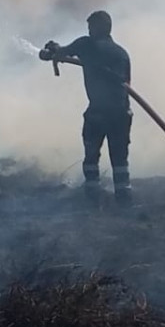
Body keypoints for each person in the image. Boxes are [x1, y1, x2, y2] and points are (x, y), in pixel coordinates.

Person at [39, 10, 133, 204]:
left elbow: (61, 52)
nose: (89, 31)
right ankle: (124, 200)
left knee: (91, 157)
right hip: (121, 114)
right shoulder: (122, 53)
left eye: (91, 27)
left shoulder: (86, 45)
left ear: (98, 28)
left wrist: (52, 49)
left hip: (98, 113)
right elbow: (127, 86)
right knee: (120, 159)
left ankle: (92, 199)